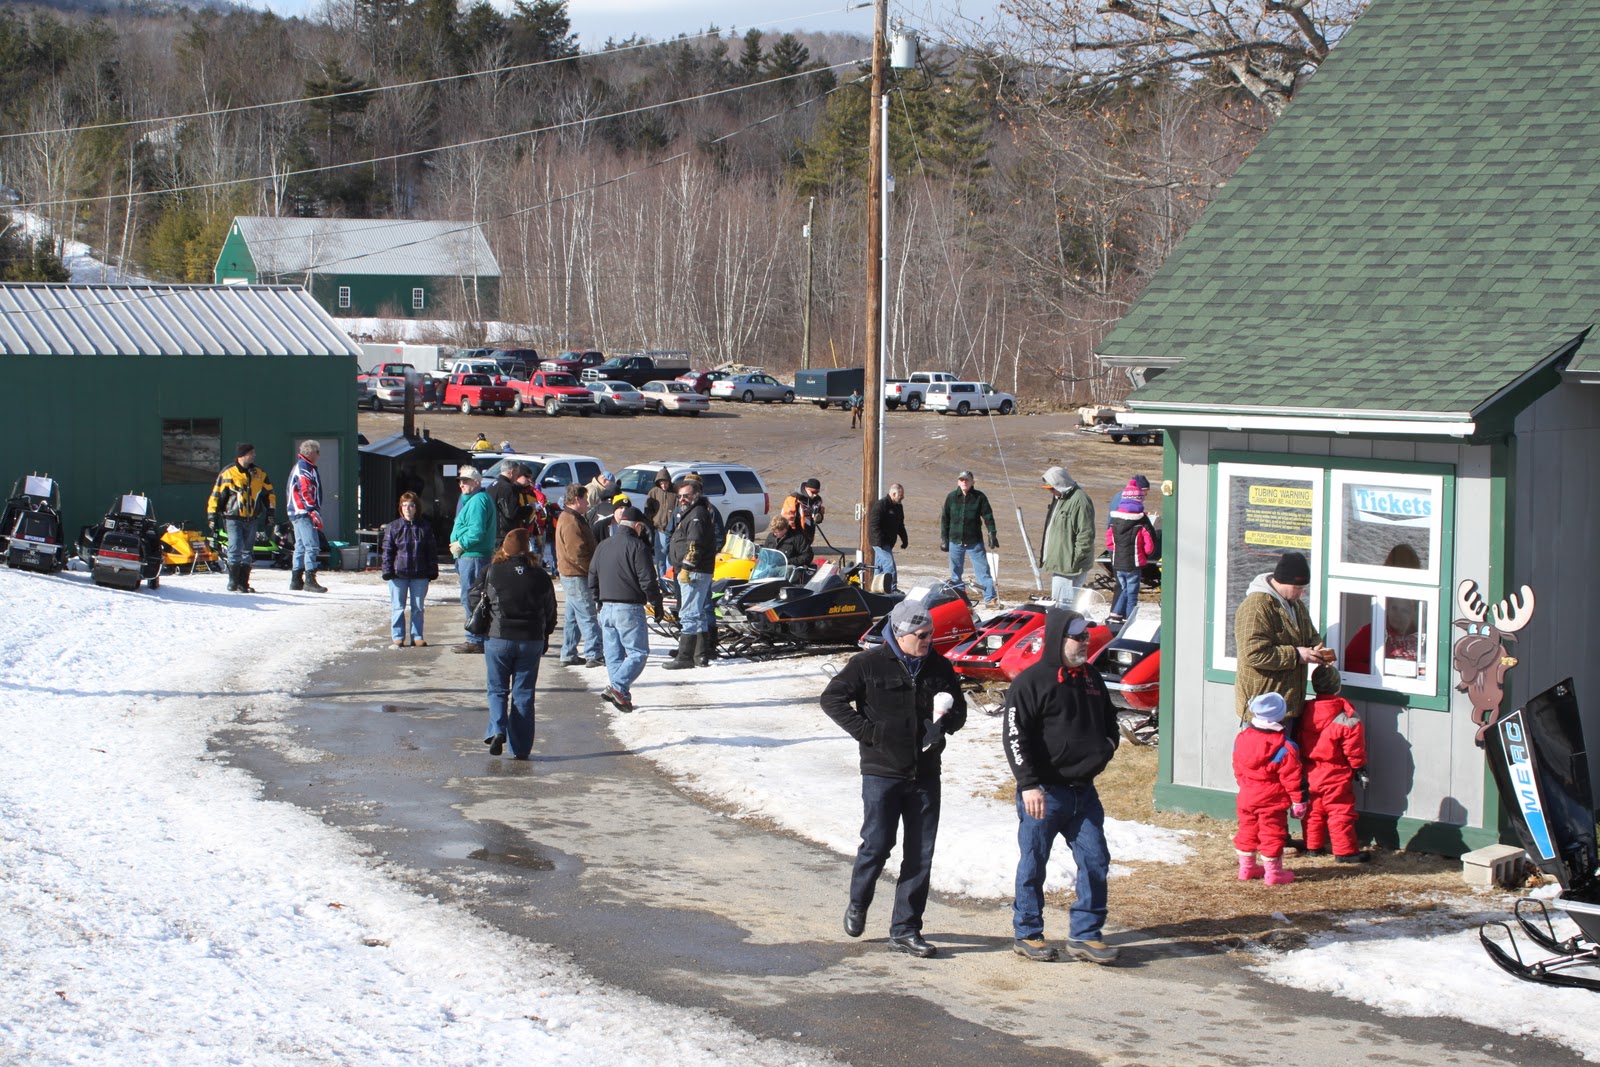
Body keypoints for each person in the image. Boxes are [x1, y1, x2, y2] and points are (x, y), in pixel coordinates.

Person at [821, 600, 967, 958]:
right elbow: (832, 699)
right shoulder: (868, 664)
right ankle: (859, 901)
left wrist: (943, 726)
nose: (929, 640)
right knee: (877, 845)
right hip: (882, 772)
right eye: (922, 635)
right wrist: (868, 734)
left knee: (920, 854)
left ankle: (905, 929)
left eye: (931, 633)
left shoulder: (939, 667)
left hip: (925, 773)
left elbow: (959, 712)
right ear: (900, 635)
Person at [1001, 608, 1122, 964]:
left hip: (1083, 792)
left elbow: (1110, 722)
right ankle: (1027, 932)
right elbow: (1014, 736)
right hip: (1043, 793)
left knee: (1096, 860)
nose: (1084, 643)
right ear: (1058, 639)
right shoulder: (1031, 682)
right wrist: (1028, 784)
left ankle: (1085, 934)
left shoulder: (1091, 678)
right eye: (1077, 637)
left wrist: (1108, 747)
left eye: (1087, 637)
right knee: (1033, 863)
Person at [470, 529, 558, 760]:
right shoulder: (540, 575)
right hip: (530, 640)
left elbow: (473, 598)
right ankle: (520, 748)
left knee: (497, 688)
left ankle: (498, 729)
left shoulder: (491, 572)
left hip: (499, 637)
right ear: (527, 549)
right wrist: (545, 632)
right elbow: (550, 610)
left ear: (504, 549)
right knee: (524, 694)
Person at [1233, 550, 1333, 722]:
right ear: (1283, 582)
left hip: (1290, 705)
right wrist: (1296, 655)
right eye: (1298, 588)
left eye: (1304, 589)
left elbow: (1310, 634)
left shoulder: (1296, 605)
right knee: (1267, 750)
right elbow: (1253, 654)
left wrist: (1318, 649)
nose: (1302, 593)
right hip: (1264, 710)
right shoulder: (1256, 607)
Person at [589, 506, 664, 713]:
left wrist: (598, 600)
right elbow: (648, 580)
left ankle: (621, 696)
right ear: (638, 526)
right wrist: (656, 603)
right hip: (628, 608)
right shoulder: (638, 547)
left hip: (606, 608)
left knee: (614, 656)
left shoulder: (603, 546)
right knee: (638, 653)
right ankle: (617, 687)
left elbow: (592, 576)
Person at [1297, 666, 1370, 863]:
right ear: (1337, 687)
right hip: (1335, 773)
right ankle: (1345, 852)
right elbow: (1353, 749)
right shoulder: (1346, 717)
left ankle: (1313, 846)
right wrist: (1359, 767)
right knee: (1340, 810)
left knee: (1312, 810)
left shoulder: (1304, 711)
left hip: (1309, 769)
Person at [1233, 692, 1304, 886]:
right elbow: (1292, 778)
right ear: (1280, 715)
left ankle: (1246, 868)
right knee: (1272, 833)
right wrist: (1298, 801)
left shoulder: (1241, 738)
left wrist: (1244, 784)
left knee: (1247, 830)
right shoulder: (1286, 747)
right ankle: (1273, 873)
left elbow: (1237, 767)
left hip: (1247, 795)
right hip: (1271, 800)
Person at [207, 442, 276, 594]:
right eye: (252, 453)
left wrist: (270, 512)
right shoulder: (228, 473)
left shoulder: (259, 473)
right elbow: (216, 495)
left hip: (252, 518)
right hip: (232, 517)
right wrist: (212, 516)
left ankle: (243, 582)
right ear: (243, 455)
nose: (254, 455)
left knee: (247, 550)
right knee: (235, 546)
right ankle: (233, 580)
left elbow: (269, 494)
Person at [664, 477, 718, 670]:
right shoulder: (690, 513)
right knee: (699, 613)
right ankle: (700, 654)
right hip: (696, 571)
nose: (682, 499)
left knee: (689, 614)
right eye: (679, 496)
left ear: (696, 495)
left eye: (686, 496)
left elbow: (694, 545)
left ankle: (685, 656)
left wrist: (686, 568)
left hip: (694, 572)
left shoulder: (697, 514)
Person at [380, 491, 440, 648]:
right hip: (398, 573)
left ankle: (417, 635)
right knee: (398, 607)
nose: (408, 508)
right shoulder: (393, 527)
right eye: (405, 505)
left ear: (416, 508)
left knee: (418, 607)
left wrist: (432, 569)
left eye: (411, 505)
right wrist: (387, 570)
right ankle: (398, 636)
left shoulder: (425, 527)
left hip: (420, 574)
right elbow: (387, 550)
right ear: (401, 508)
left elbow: (431, 551)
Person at [555, 484, 605, 668]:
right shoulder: (571, 521)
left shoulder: (572, 517)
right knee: (587, 614)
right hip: (576, 575)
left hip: (572, 574)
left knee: (573, 617)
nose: (588, 503)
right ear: (577, 500)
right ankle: (594, 653)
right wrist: (592, 572)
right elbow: (577, 554)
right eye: (585, 499)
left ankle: (568, 653)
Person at [447, 466, 496, 654]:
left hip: (474, 556)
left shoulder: (478, 501)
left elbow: (476, 531)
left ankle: (475, 639)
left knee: (473, 598)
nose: (461, 484)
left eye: (466, 481)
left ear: (477, 482)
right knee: (475, 597)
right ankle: (478, 637)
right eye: (460, 481)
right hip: (471, 556)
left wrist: (461, 544)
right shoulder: (475, 500)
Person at [939, 470, 999, 607]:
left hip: (974, 542)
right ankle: (960, 599)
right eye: (961, 480)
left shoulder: (980, 497)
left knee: (983, 573)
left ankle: (990, 598)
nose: (964, 482)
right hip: (955, 541)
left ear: (972, 482)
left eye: (967, 480)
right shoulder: (951, 497)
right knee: (955, 574)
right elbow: (945, 520)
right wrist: (944, 539)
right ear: (958, 482)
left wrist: (992, 534)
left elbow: (988, 517)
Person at [1039, 466, 1095, 606]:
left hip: (1070, 564)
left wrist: (1074, 560)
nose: (1050, 491)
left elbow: (1086, 534)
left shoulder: (1080, 501)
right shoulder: (1059, 498)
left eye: (1051, 488)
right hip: (1061, 561)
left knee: (1065, 605)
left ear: (1060, 484)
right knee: (1059, 603)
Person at [1105, 476, 1156, 624]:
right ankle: (1128, 618)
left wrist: (1115, 550)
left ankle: (1116, 614)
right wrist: (1146, 554)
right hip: (1132, 559)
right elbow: (1149, 543)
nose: (1145, 496)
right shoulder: (1140, 521)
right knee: (1131, 590)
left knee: (1123, 586)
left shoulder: (1116, 517)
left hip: (1118, 556)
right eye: (1144, 493)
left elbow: (1109, 539)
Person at [285, 439, 327, 593]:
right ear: (310, 453)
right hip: (303, 512)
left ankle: (296, 580)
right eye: (317, 452)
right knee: (312, 545)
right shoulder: (304, 468)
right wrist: (312, 509)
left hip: (297, 512)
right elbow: (305, 490)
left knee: (301, 546)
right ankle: (310, 579)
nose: (318, 455)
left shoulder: (303, 466)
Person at [868, 484, 908, 591]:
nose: (903, 497)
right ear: (894, 494)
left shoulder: (899, 507)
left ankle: (876, 589)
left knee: (879, 567)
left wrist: (905, 539)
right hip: (879, 542)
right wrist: (879, 540)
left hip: (889, 542)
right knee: (889, 564)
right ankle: (892, 588)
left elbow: (900, 525)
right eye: (901, 494)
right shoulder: (881, 505)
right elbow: (873, 524)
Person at [487, 462, 531, 546]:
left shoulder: (492, 485)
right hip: (504, 535)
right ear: (511, 472)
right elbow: (512, 513)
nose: (516, 478)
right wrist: (530, 508)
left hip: (491, 532)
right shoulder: (508, 488)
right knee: (505, 558)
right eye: (516, 474)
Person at [646, 468, 676, 572]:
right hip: (659, 530)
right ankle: (663, 581)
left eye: (665, 483)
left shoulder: (675, 491)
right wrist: (651, 521)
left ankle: (670, 580)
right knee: (660, 558)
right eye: (661, 483)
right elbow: (648, 509)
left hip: (673, 530)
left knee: (671, 558)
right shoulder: (653, 492)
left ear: (669, 481)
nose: (664, 485)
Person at [780, 478, 825, 546]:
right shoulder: (793, 499)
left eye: (817, 492)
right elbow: (786, 518)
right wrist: (791, 535)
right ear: (806, 488)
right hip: (794, 533)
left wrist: (819, 517)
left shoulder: (818, 500)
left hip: (809, 533)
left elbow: (819, 515)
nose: (815, 495)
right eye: (813, 492)